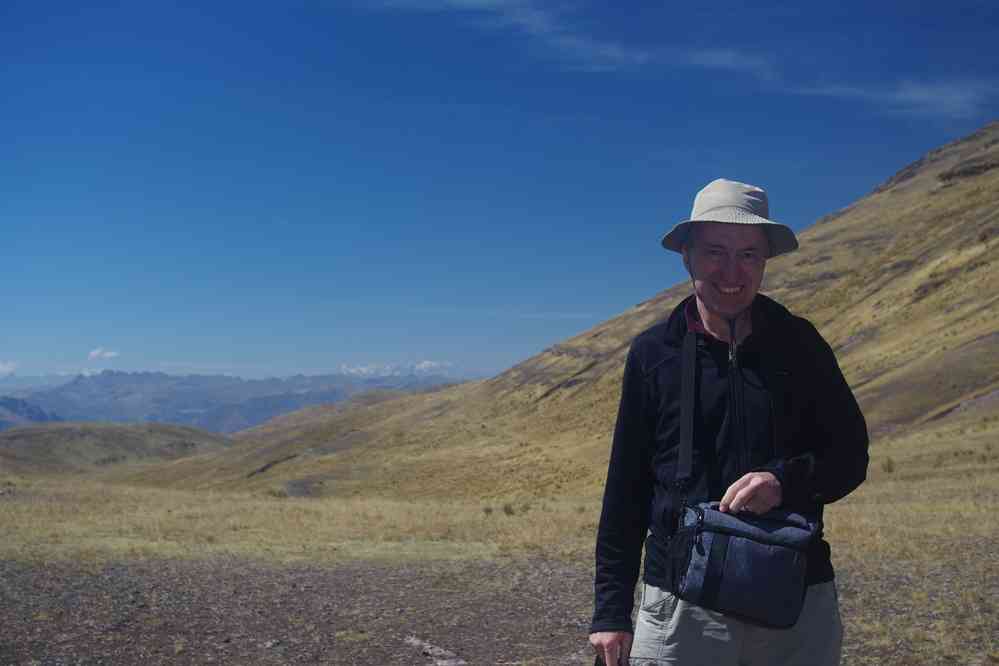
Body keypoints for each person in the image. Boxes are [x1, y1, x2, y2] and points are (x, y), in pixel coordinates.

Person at [588, 178, 869, 665]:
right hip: (681, 604)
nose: (732, 272)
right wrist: (611, 612)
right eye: (715, 252)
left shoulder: (802, 346)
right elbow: (626, 488)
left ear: (765, 261)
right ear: (688, 256)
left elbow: (850, 457)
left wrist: (784, 482)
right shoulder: (654, 355)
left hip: (795, 603)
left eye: (749, 255)